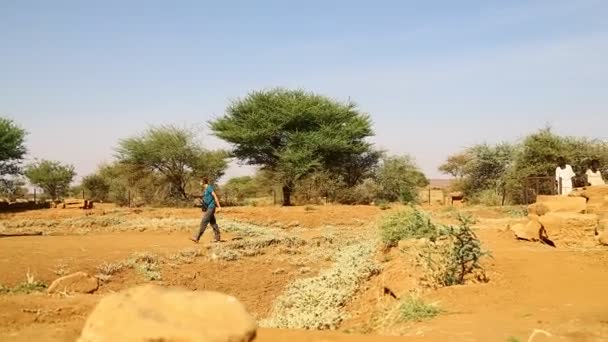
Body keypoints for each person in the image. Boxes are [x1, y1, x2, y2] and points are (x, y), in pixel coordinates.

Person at [190, 178, 222, 243]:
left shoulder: (209, 187)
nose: (200, 183)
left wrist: (219, 206)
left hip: (211, 207)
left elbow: (215, 196)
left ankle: (197, 237)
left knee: (204, 221)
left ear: (203, 182)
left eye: (200, 181)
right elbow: (207, 198)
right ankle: (217, 237)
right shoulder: (206, 189)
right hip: (209, 208)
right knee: (213, 223)